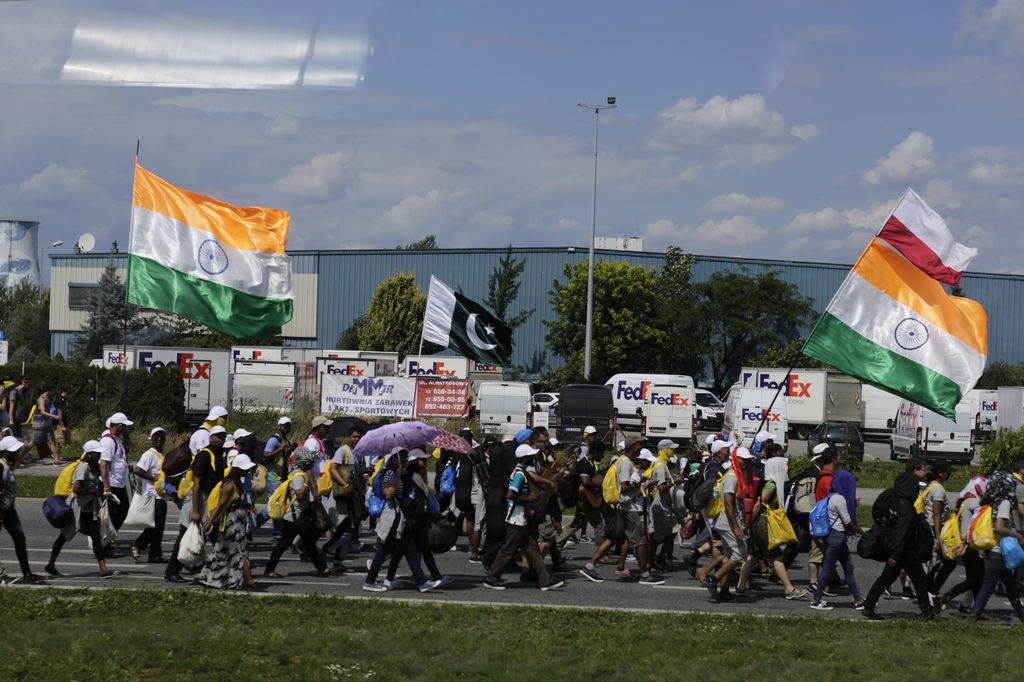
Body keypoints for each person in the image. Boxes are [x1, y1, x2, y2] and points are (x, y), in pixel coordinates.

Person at [483, 443, 564, 591]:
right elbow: (510, 494)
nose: (534, 457)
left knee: (533, 550)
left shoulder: (523, 471)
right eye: (531, 455)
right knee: (507, 550)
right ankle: (491, 578)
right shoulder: (520, 474)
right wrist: (528, 498)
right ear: (525, 458)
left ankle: (545, 581)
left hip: (523, 519)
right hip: (517, 518)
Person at [862, 459, 933, 620]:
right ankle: (926, 612)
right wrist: (896, 553)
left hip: (894, 544)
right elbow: (903, 530)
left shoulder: (891, 494)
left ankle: (869, 606)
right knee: (919, 578)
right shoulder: (906, 506)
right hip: (903, 548)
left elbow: (877, 510)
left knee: (887, 576)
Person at [364, 448, 442, 593]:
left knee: (407, 546)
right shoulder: (390, 473)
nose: (405, 459)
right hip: (391, 514)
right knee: (385, 549)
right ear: (393, 459)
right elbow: (388, 494)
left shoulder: (400, 473)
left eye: (405, 457)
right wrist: (397, 477)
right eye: (401, 457)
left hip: (399, 514)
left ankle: (421, 581)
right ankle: (369, 581)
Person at [45, 440, 120, 579]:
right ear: (90, 454)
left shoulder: (93, 467)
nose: (99, 455)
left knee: (96, 537)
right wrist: (93, 492)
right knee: (64, 536)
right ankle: (50, 564)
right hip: (77, 508)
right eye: (97, 453)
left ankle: (103, 569)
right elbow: (76, 488)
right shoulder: (83, 467)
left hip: (89, 510)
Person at [166, 425, 228, 583]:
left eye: (223, 436)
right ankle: (172, 571)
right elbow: (197, 483)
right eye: (218, 436)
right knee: (185, 534)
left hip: (208, 499)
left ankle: (220, 569)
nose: (221, 438)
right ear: (211, 437)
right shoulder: (205, 455)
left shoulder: (219, 454)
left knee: (211, 534)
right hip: (198, 498)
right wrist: (195, 510)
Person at [264, 447, 330, 578]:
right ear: (304, 462)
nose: (312, 464)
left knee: (308, 542)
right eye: (310, 461)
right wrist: (306, 482)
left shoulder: (301, 473)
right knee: (284, 544)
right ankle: (269, 570)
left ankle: (322, 569)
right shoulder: (299, 476)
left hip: (300, 516)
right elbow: (299, 494)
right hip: (294, 517)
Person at [199, 453, 261, 590]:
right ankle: (249, 581)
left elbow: (236, 502)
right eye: (245, 468)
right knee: (239, 553)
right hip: (231, 526)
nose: (247, 470)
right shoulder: (229, 485)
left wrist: (248, 507)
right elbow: (220, 505)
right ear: (238, 469)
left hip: (239, 525)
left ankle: (206, 576)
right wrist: (209, 521)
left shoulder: (238, 483)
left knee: (222, 553)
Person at [749, 452, 806, 599]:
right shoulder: (771, 485)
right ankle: (789, 588)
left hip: (759, 522)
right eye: (785, 467)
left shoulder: (770, 483)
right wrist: (749, 524)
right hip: (764, 522)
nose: (787, 470)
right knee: (777, 556)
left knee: (754, 555)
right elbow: (758, 504)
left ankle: (741, 585)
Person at [970, 470, 1024, 622]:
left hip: (994, 551)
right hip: (998, 552)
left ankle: (1021, 615)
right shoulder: (1005, 502)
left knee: (1011, 588)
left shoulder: (992, 500)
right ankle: (974, 615)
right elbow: (999, 527)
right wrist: (1017, 535)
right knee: (988, 587)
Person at [809, 470, 865, 610]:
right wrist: (861, 532)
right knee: (828, 568)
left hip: (834, 537)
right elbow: (847, 521)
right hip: (837, 538)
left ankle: (858, 600)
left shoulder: (831, 496)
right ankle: (816, 600)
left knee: (848, 568)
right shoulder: (839, 499)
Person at [704, 447, 753, 603]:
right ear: (735, 458)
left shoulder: (736, 475)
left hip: (728, 522)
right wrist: (736, 527)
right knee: (741, 554)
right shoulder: (731, 477)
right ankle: (714, 578)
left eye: (747, 459)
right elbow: (728, 503)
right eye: (742, 459)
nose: (746, 462)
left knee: (728, 557)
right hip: (727, 522)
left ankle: (724, 590)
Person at [403, 448, 452, 587]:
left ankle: (429, 576)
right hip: (415, 518)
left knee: (422, 548)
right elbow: (426, 497)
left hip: (416, 517)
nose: (425, 462)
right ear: (414, 462)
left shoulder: (414, 475)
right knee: (401, 549)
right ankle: (419, 578)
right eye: (422, 459)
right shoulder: (415, 477)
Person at [0, 436, 45, 583]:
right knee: (19, 538)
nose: (19, 453)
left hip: (9, 510)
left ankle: (27, 574)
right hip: (2, 511)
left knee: (20, 539)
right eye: (16, 451)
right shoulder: (1, 466)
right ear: (7, 452)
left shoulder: (8, 464)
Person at [941, 476, 987, 615]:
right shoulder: (974, 502)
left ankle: (973, 608)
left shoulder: (965, 500)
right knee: (974, 579)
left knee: (976, 578)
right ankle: (944, 598)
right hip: (969, 544)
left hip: (966, 543)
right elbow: (980, 521)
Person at [325, 422, 366, 560]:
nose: (357, 439)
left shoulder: (356, 453)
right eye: (354, 437)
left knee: (347, 527)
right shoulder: (343, 450)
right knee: (345, 527)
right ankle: (329, 551)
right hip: (342, 494)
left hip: (351, 495)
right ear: (349, 437)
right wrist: (344, 484)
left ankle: (335, 558)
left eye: (359, 437)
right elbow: (333, 468)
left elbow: (355, 472)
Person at [556, 439, 605, 550]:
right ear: (596, 452)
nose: (602, 456)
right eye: (601, 453)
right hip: (584, 499)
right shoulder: (585, 464)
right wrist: (599, 484)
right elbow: (585, 481)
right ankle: (602, 553)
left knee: (575, 524)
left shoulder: (591, 463)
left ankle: (557, 545)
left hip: (584, 498)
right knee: (599, 525)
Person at [131, 427, 169, 563]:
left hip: (161, 494)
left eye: (162, 437)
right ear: (151, 439)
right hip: (153, 495)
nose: (159, 439)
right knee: (155, 525)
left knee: (159, 526)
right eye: (156, 437)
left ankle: (155, 554)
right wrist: (153, 477)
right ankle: (139, 544)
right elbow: (138, 470)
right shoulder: (149, 454)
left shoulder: (161, 455)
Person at [922, 463, 955, 609]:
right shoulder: (938, 490)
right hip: (935, 528)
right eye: (948, 472)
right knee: (949, 562)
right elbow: (936, 514)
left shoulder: (931, 485)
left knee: (933, 563)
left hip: (929, 526)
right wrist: (938, 537)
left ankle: (928, 592)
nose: (950, 475)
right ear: (941, 473)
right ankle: (932, 592)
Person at [256, 416, 295, 539]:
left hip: (281, 478)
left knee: (278, 506)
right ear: (278, 426)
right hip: (273, 478)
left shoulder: (285, 440)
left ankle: (278, 533)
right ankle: (251, 525)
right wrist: (280, 448)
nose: (286, 427)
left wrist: (290, 449)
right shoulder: (274, 440)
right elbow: (266, 455)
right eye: (284, 425)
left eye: (288, 425)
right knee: (273, 506)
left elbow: (281, 458)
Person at [99, 412, 133, 535]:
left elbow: (122, 457)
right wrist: (106, 488)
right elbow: (103, 464)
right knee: (113, 514)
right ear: (117, 425)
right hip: (111, 484)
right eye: (124, 426)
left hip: (119, 483)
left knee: (123, 512)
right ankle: (105, 541)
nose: (126, 429)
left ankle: (109, 537)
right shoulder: (108, 440)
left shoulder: (117, 439)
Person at [31, 386, 60, 461]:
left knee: (52, 441)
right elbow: (43, 412)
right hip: (39, 424)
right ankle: (21, 456)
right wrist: (54, 416)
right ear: (47, 390)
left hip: (47, 424)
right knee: (33, 442)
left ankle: (57, 459)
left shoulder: (49, 398)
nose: (53, 392)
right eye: (52, 391)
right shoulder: (41, 399)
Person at [8, 376, 29, 445]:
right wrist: (11, 420)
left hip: (21, 419)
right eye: (28, 384)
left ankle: (21, 454)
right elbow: (11, 406)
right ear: (23, 382)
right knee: (15, 437)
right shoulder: (14, 392)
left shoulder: (23, 392)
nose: (29, 386)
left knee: (24, 437)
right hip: (15, 419)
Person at [52, 388, 70, 466]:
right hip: (57, 423)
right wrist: (62, 425)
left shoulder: (65, 400)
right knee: (59, 440)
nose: (70, 394)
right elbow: (59, 413)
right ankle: (56, 457)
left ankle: (58, 455)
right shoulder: (59, 400)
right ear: (65, 391)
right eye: (69, 392)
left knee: (63, 440)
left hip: (64, 422)